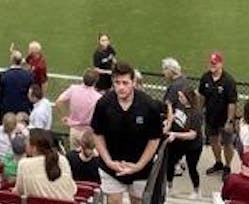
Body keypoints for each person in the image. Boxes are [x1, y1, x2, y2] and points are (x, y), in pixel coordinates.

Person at [91, 62, 164, 204]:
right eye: (117, 82)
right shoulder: (103, 104)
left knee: (137, 201)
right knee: (114, 201)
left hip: (141, 169)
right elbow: (97, 134)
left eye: (125, 82)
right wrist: (108, 161)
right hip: (111, 167)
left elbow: (154, 139)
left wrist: (139, 165)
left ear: (134, 82)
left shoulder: (149, 106)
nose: (121, 87)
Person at [163, 75, 204, 197]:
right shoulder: (180, 105)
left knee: (192, 168)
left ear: (188, 98)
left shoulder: (196, 113)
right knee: (170, 164)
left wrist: (174, 134)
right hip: (178, 143)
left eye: (181, 96)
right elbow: (175, 115)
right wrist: (168, 122)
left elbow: (192, 134)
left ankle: (196, 190)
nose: (179, 98)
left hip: (193, 146)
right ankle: (169, 187)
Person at [199, 52, 238, 177]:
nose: (213, 65)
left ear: (221, 64)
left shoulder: (229, 81)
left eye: (215, 63)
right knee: (213, 141)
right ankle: (218, 162)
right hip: (210, 118)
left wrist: (230, 121)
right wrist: (199, 112)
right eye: (211, 63)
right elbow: (202, 97)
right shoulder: (205, 78)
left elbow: (232, 103)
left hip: (224, 119)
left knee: (227, 143)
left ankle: (227, 166)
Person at [15, 128, 75, 201]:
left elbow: (18, 192)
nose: (25, 143)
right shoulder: (62, 160)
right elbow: (72, 189)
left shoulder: (24, 164)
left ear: (34, 147)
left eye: (27, 141)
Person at [55, 69, 102, 143]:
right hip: (88, 132)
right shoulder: (98, 97)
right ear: (95, 82)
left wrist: (63, 116)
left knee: (73, 154)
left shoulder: (73, 89)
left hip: (74, 130)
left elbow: (58, 102)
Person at [0, 50, 34, 119]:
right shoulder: (28, 76)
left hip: (6, 109)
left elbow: (0, 95)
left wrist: (1, 107)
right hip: (23, 110)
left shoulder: (4, 75)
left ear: (12, 60)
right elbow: (31, 95)